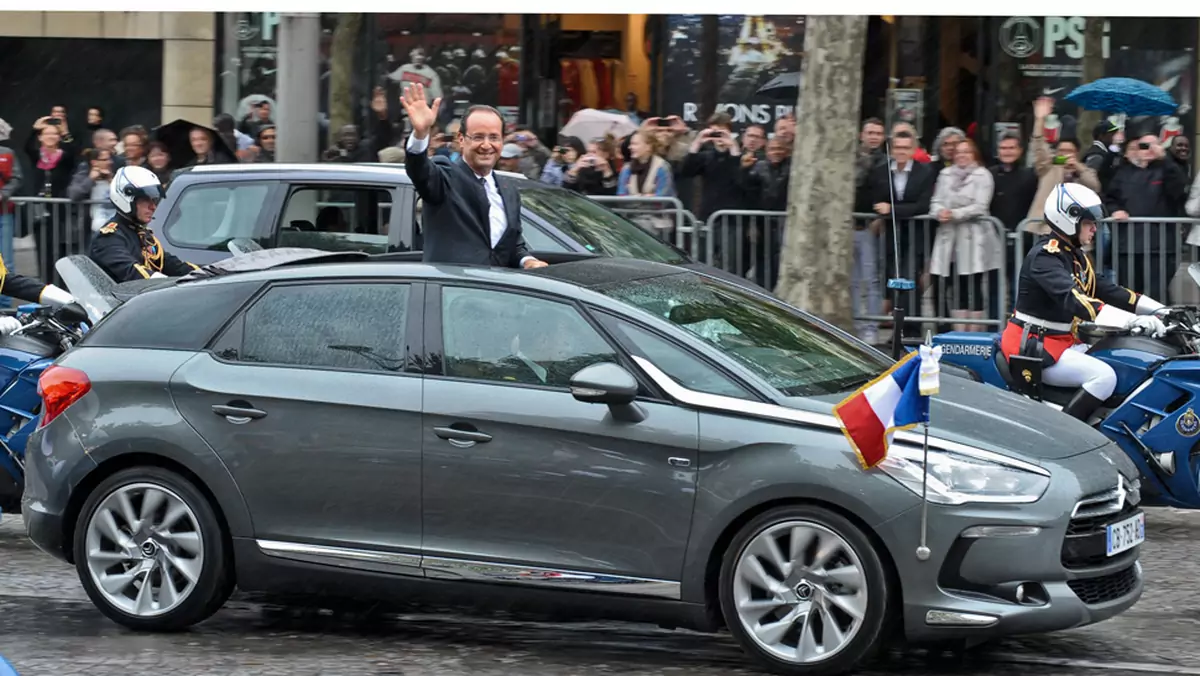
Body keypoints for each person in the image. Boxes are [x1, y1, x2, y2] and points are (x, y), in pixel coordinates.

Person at [1001, 183, 1168, 422]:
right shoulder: (1045, 257)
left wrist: (1161, 310)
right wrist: (1133, 321)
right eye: (1089, 223)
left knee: (1119, 360)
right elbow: (1079, 301)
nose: (1094, 229)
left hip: (1060, 341)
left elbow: (1109, 290)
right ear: (1069, 219)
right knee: (1104, 376)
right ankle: (1067, 435)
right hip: (1035, 346)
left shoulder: (1074, 255)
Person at [399, 82, 546, 269]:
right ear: (461, 139)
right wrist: (421, 134)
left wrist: (528, 261)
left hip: (500, 292)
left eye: (493, 137)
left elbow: (513, 245)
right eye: (478, 137)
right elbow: (419, 170)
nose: (486, 145)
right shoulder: (445, 176)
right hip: (452, 292)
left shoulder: (508, 189)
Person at [90, 166, 199, 282]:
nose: (153, 207)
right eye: (145, 200)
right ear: (126, 198)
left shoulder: (142, 234)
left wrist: (205, 274)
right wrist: (168, 283)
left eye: (154, 200)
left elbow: (171, 264)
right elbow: (133, 273)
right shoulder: (108, 238)